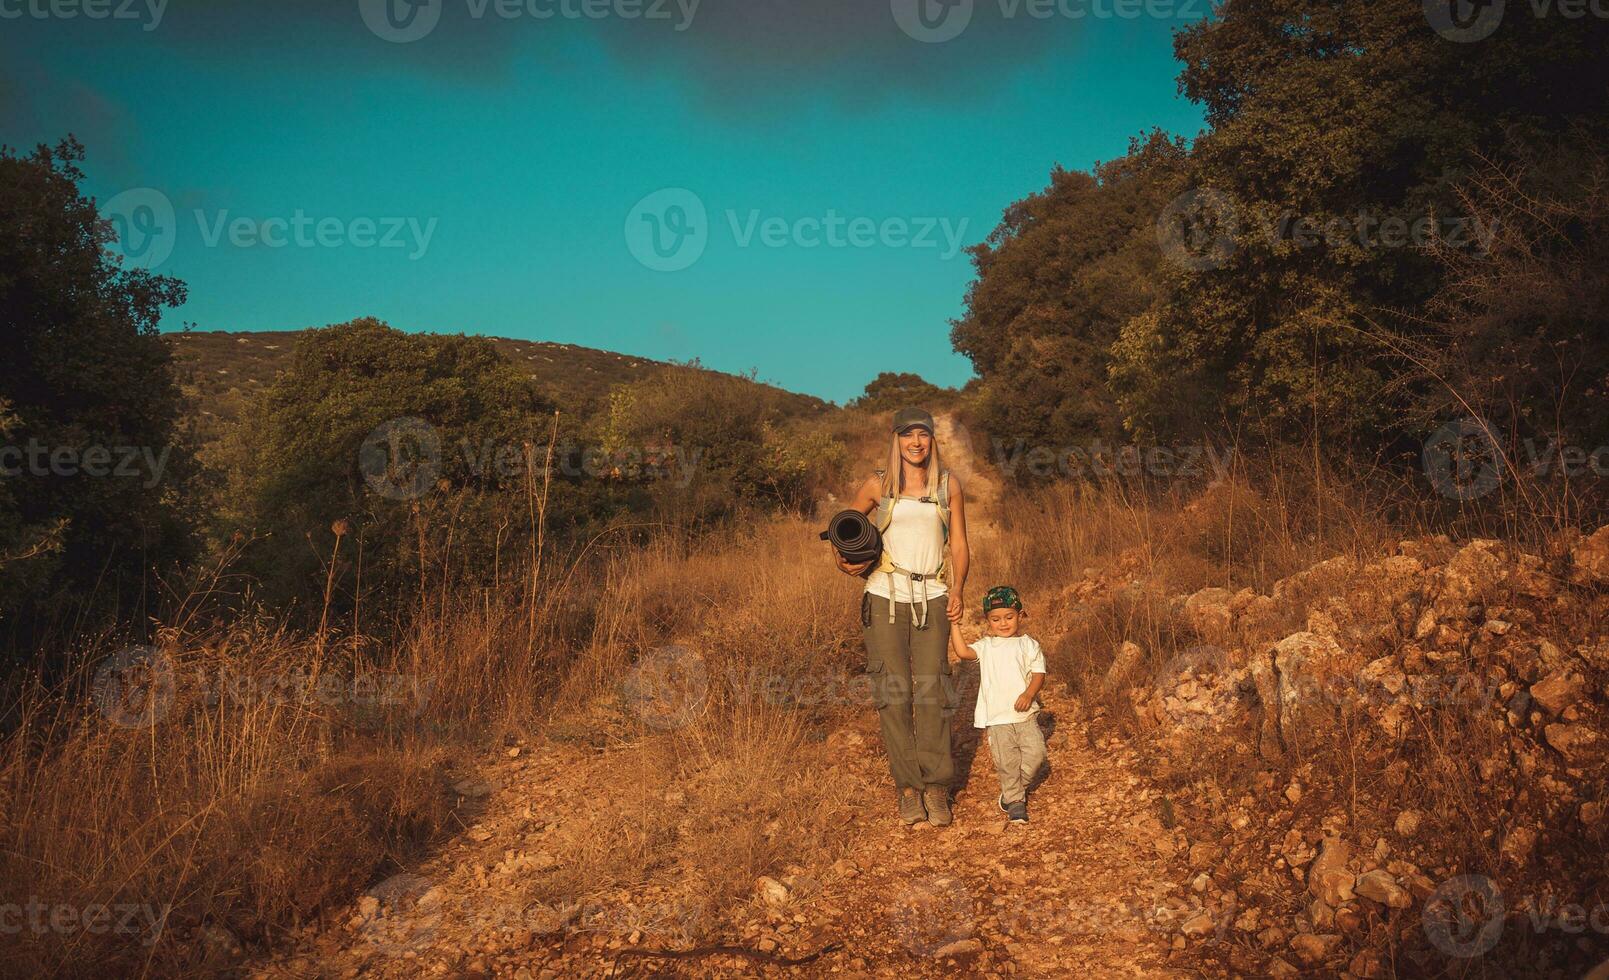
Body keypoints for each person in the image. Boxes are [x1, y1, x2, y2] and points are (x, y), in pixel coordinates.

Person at [831, 407, 968, 826]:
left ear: (931, 440)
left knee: (933, 691)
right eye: (908, 435)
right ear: (896, 439)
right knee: (893, 694)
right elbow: (845, 530)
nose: (916, 443)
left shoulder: (948, 485)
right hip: (885, 596)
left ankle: (937, 786)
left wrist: (958, 589)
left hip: (933, 595)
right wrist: (845, 564)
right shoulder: (879, 483)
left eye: (923, 435)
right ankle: (908, 788)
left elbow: (960, 544)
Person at [948, 585, 1046, 825]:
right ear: (988, 621)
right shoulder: (986, 646)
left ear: (1020, 615)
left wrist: (1029, 693)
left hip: (1025, 716)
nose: (1003, 623)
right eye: (996, 619)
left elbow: (1038, 673)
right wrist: (954, 624)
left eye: (1009, 617)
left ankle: (1014, 789)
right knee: (1007, 762)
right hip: (998, 718)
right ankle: (1015, 802)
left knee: (1037, 754)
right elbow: (962, 652)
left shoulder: (1029, 644)